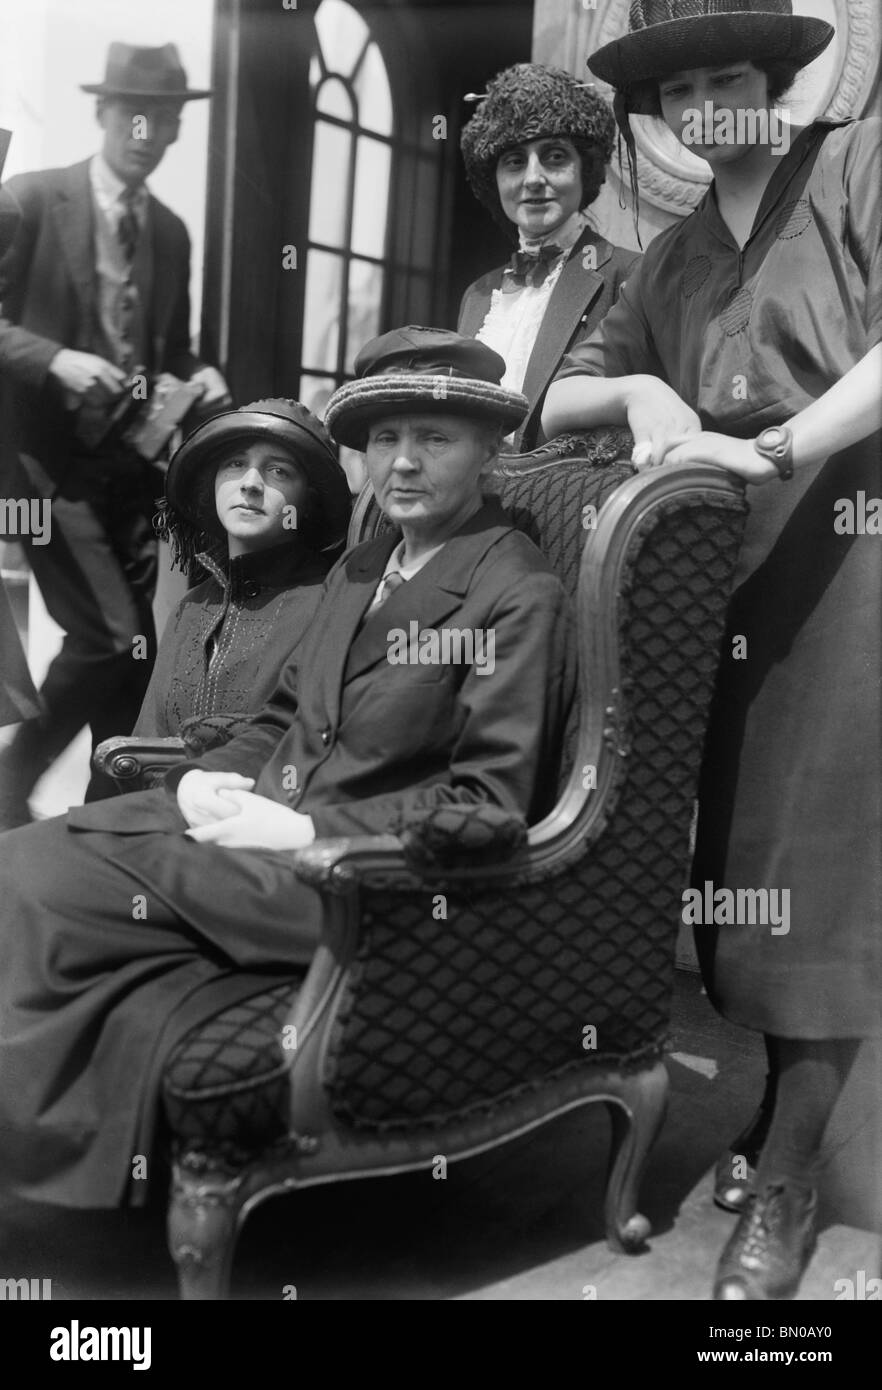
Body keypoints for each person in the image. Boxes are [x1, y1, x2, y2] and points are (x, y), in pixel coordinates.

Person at [0, 327, 575, 1210]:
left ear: (490, 449)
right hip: (250, 831)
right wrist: (202, 779)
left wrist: (309, 829)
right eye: (385, 439)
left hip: (351, 887)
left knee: (29, 886)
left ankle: (35, 1149)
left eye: (434, 438)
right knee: (26, 861)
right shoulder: (366, 566)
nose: (404, 464)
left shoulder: (514, 592)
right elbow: (279, 718)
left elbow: (488, 806)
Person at [542, 0, 881, 1301]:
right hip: (724, 582)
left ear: (775, 82)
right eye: (679, 92)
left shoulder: (852, 165)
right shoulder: (663, 257)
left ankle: (787, 1178)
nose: (705, 109)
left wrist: (783, 445)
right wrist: (634, 390)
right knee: (737, 870)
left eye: (729, 78)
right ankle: (773, 1120)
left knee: (827, 865)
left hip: (855, 553)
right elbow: (549, 394)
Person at [0, 43, 231, 825]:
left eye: (163, 117)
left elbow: (172, 353)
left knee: (135, 657)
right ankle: (8, 785)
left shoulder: (169, 232)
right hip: (41, 473)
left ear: (173, 132)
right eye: (133, 112)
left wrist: (203, 377)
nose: (146, 128)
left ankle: (106, 822)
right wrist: (54, 358)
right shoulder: (28, 200)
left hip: (131, 477)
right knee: (109, 636)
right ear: (102, 115)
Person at [125, 398, 350, 749]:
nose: (250, 483)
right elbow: (145, 744)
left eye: (279, 471)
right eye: (235, 463)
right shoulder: (190, 609)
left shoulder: (329, 604)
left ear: (307, 502)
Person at [458, 63, 639, 452]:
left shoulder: (630, 275)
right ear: (495, 180)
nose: (533, 178)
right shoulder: (478, 295)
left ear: (584, 171)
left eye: (554, 157)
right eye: (514, 162)